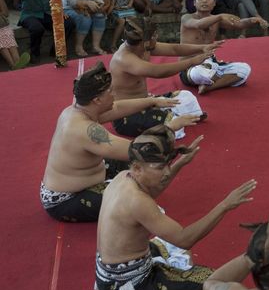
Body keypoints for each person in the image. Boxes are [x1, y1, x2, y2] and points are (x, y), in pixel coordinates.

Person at [95, 125, 257, 290]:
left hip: (107, 274)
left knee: (170, 244)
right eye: (160, 167)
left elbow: (152, 190)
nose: (166, 172)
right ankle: (256, 257)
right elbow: (185, 238)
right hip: (128, 287)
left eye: (168, 165)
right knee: (212, 283)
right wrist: (224, 205)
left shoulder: (123, 177)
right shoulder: (137, 201)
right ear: (138, 168)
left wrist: (181, 162)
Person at [41, 62, 180, 222]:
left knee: (138, 172)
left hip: (83, 179)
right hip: (68, 200)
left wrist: (152, 101)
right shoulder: (85, 130)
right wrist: (170, 128)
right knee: (135, 191)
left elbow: (118, 107)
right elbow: (138, 150)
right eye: (110, 91)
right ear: (97, 100)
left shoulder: (78, 110)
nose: (114, 93)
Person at [108, 15, 214, 137]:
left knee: (186, 96)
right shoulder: (124, 58)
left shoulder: (144, 47)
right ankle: (174, 119)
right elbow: (158, 71)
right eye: (154, 36)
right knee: (172, 125)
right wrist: (191, 62)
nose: (156, 38)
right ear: (145, 41)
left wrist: (202, 48)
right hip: (127, 115)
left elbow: (174, 49)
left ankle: (181, 116)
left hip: (147, 102)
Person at [180, 0, 261, 93]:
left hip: (211, 63)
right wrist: (220, 16)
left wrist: (253, 20)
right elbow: (199, 24)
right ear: (194, 3)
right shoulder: (187, 17)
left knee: (244, 69)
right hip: (190, 67)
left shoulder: (216, 19)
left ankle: (209, 87)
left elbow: (239, 23)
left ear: (214, 4)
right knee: (199, 73)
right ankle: (218, 79)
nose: (204, 0)